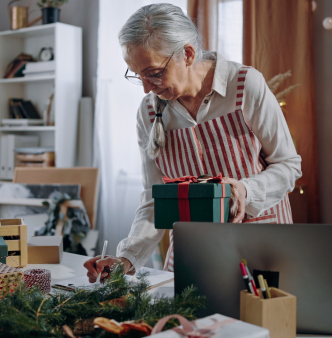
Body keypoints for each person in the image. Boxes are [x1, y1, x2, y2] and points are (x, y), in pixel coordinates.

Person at [84, 3, 301, 283]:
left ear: (187, 54)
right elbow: (155, 197)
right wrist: (127, 258)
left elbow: (288, 164)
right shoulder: (149, 112)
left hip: (262, 244)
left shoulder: (245, 86)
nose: (147, 87)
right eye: (137, 75)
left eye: (153, 72)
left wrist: (246, 191)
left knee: (261, 322)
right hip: (195, 251)